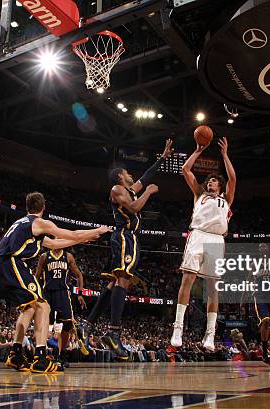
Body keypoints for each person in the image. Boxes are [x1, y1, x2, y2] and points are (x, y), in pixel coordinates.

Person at [0, 191, 110, 373]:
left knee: (29, 308)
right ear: (43, 207)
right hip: (12, 263)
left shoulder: (23, 224)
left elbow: (54, 244)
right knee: (43, 306)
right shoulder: (39, 222)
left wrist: (85, 237)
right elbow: (72, 234)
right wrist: (97, 231)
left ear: (27, 206)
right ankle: (40, 357)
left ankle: (15, 354)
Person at [79, 139, 173, 359]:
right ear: (120, 176)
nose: (132, 175)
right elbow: (133, 208)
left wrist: (162, 158)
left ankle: (87, 325)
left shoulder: (129, 189)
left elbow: (145, 178)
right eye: (128, 172)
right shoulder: (117, 189)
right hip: (124, 237)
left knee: (114, 283)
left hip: (129, 239)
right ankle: (113, 332)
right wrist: (148, 192)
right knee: (123, 280)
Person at [171, 137, 236, 351]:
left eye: (214, 181)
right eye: (208, 181)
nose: (210, 183)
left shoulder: (226, 198)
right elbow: (186, 170)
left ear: (220, 185)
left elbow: (233, 178)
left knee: (212, 288)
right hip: (197, 235)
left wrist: (225, 155)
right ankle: (178, 328)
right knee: (188, 278)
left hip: (216, 239)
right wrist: (198, 150)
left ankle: (210, 335)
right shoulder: (199, 195)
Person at [36, 247, 87, 367]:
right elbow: (37, 276)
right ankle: (41, 354)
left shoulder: (68, 256)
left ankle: (61, 353)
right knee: (45, 324)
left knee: (68, 324)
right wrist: (36, 293)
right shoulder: (44, 256)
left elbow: (79, 275)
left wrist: (80, 294)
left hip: (63, 293)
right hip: (47, 293)